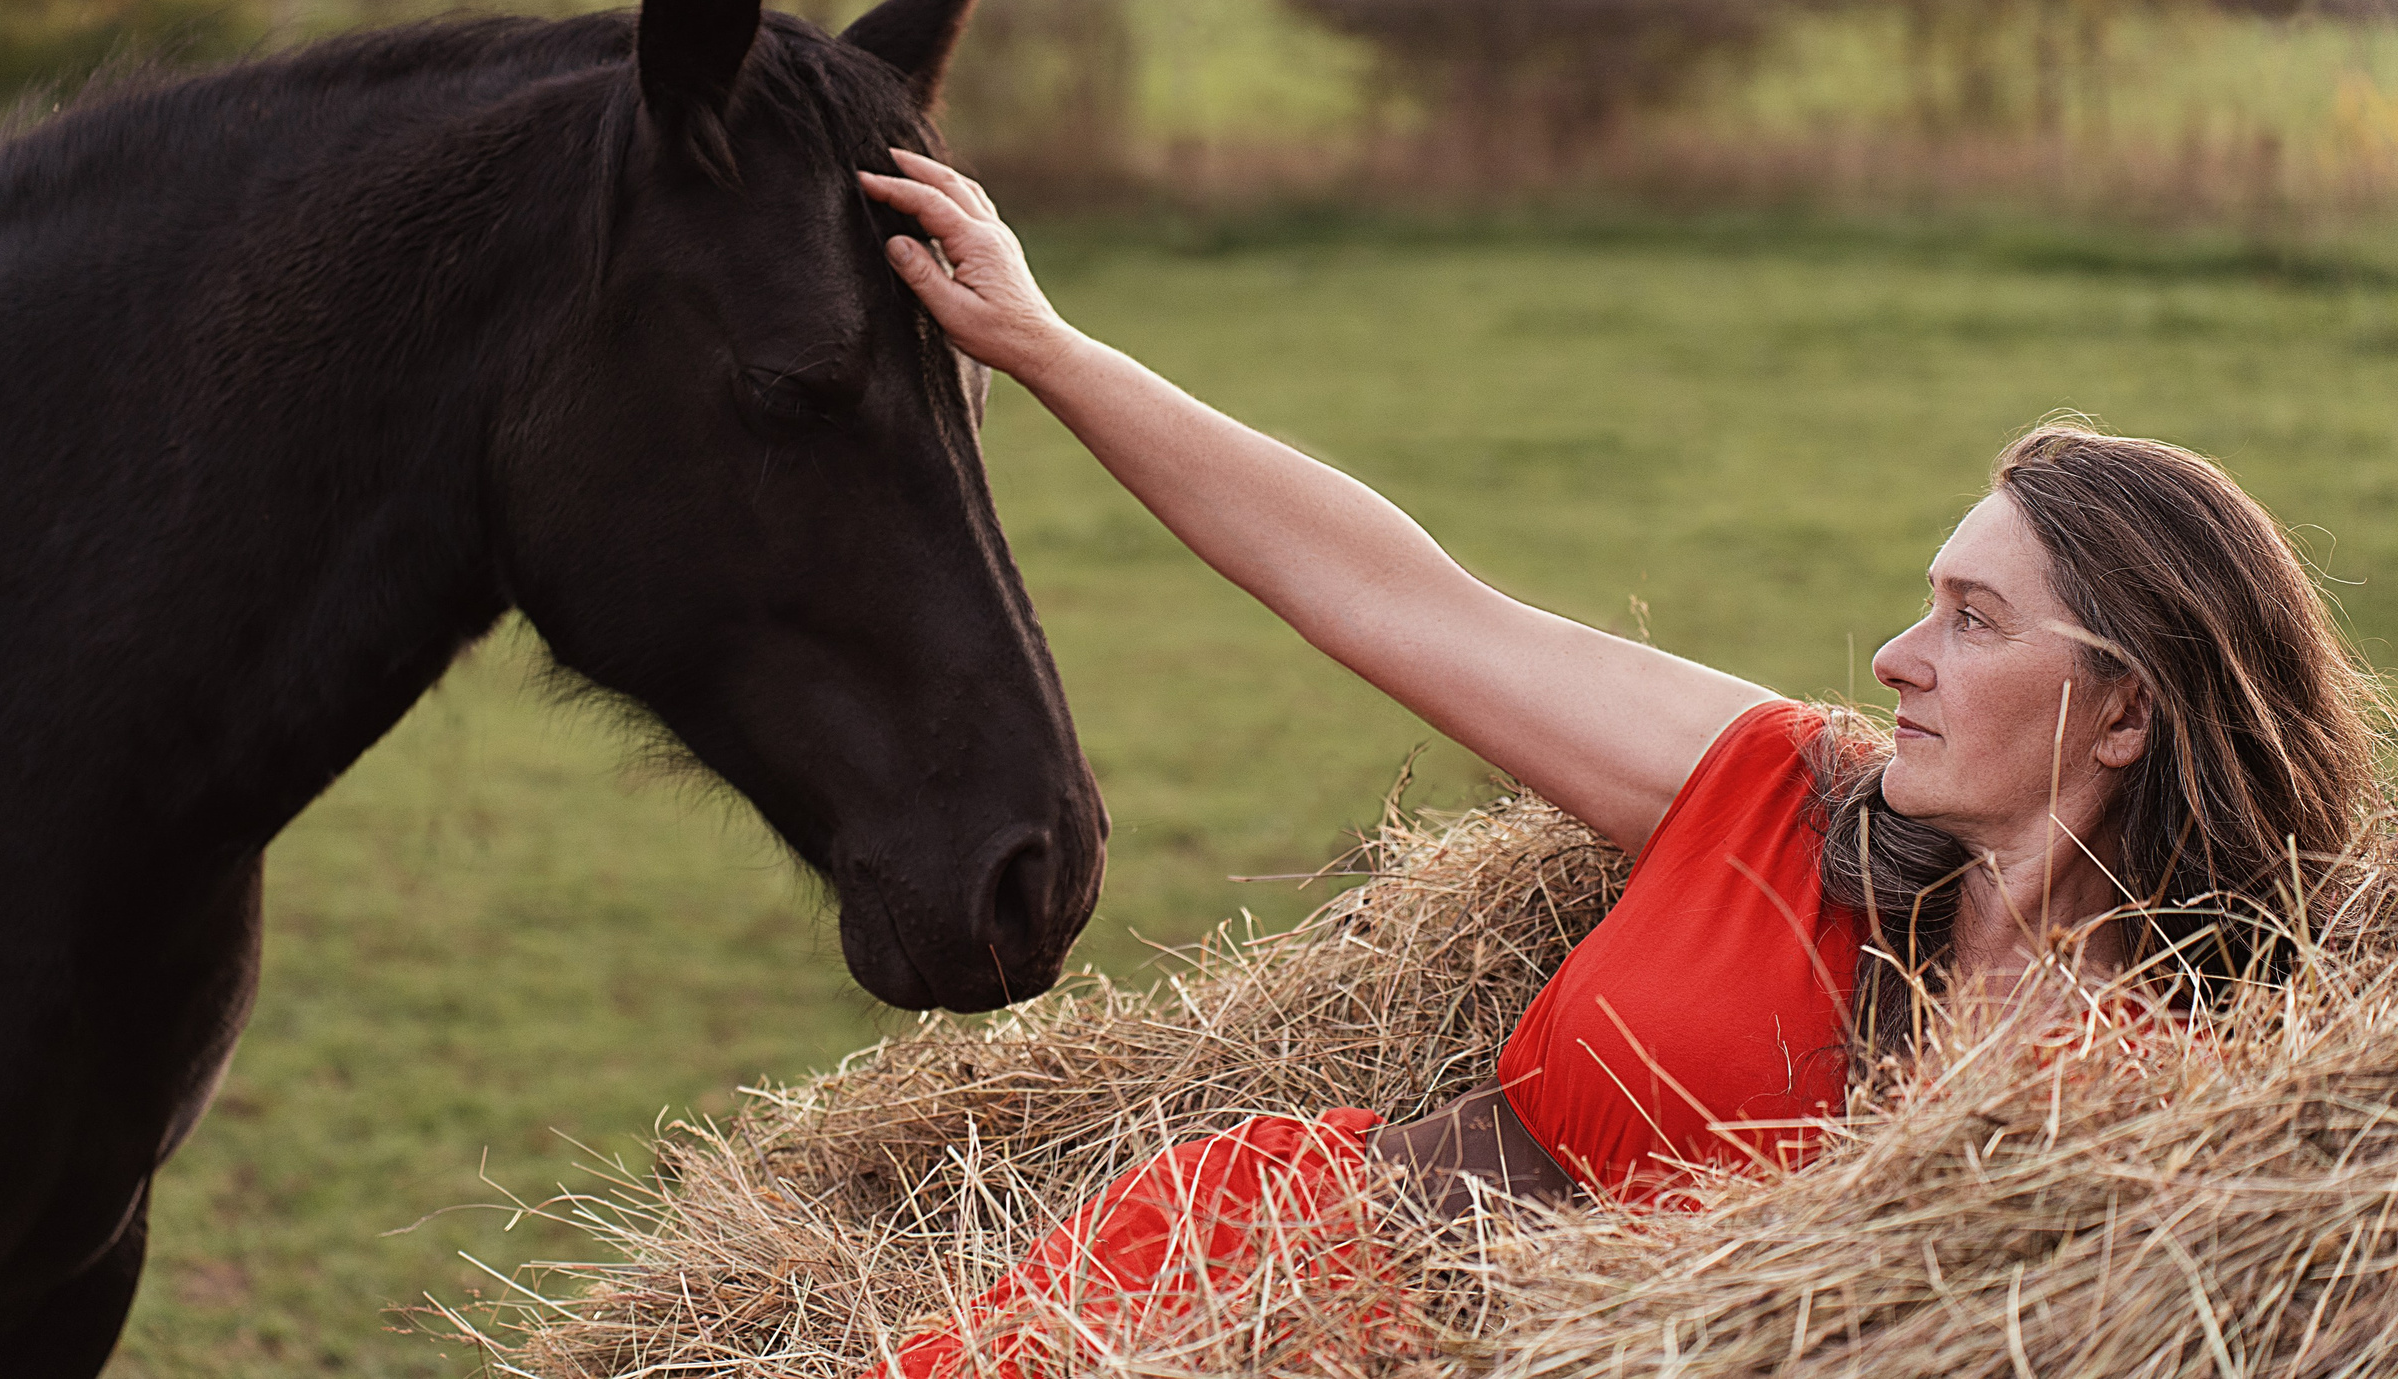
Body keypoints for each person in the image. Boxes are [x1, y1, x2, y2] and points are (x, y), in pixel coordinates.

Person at [856, 151, 2383, 1370]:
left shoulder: (2196, 1107)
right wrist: (1045, 349)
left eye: (1974, 624)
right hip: (1239, 1296)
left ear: (2124, 713)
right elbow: (1394, 598)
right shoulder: (1789, 794)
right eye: (1926, 606)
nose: (1895, 659)